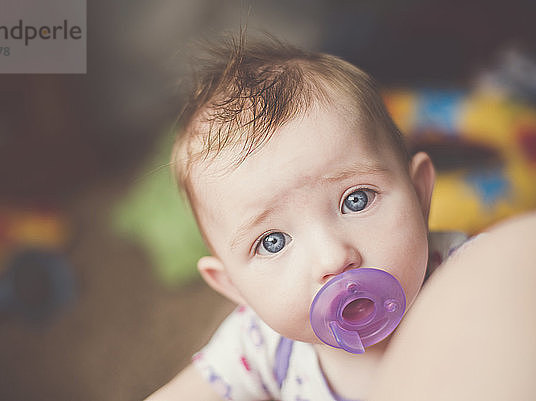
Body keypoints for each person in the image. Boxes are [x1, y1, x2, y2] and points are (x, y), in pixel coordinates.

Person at [145, 35, 536, 401]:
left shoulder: (468, 280)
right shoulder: (259, 342)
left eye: (357, 200)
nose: (333, 258)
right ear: (233, 286)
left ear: (420, 193)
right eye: (272, 242)